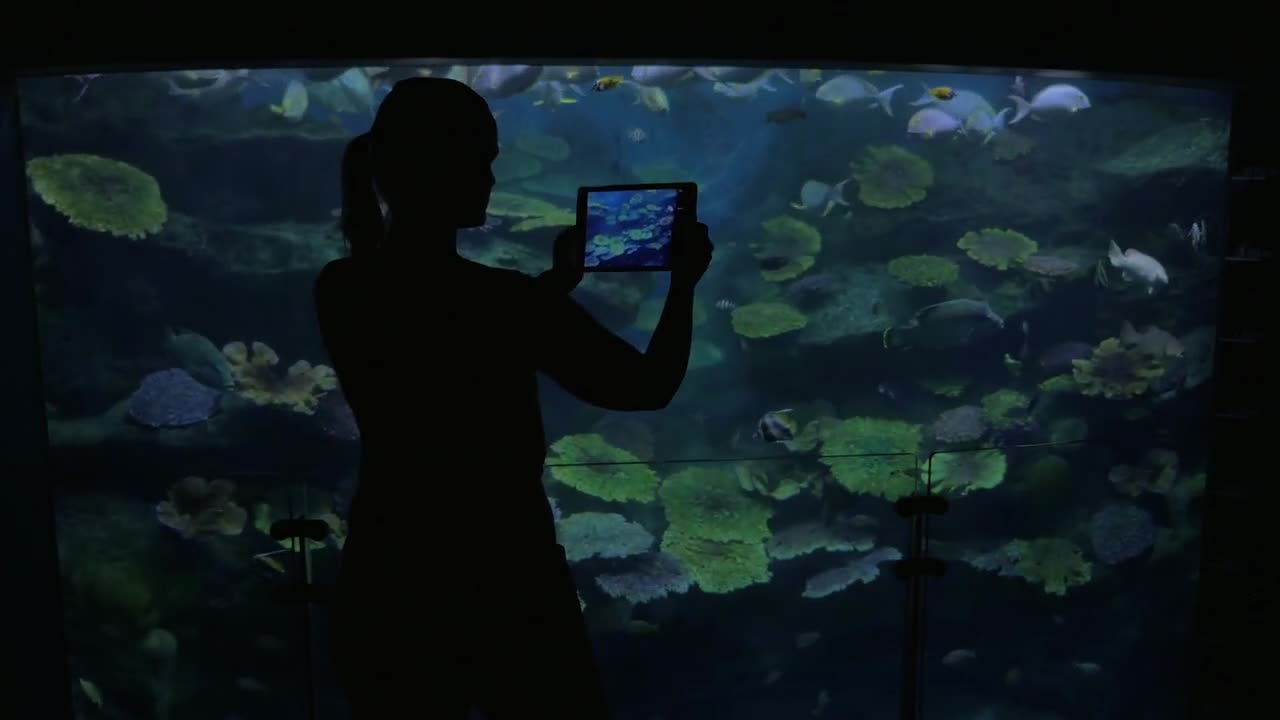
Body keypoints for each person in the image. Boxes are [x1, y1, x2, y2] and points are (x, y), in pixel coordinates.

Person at [314, 77, 712, 719]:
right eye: (482, 161)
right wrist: (684, 283)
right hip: (503, 569)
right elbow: (647, 386)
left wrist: (553, 285)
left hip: (390, 564)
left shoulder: (342, 287)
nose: (491, 179)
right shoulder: (506, 303)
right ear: (440, 170)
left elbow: (449, 338)